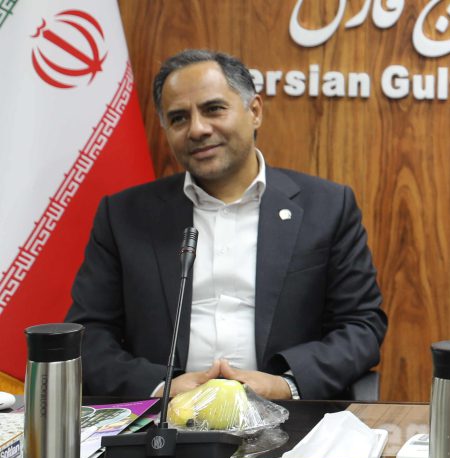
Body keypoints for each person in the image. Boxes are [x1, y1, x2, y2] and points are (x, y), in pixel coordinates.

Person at [66, 49, 387, 400]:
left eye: (213, 109)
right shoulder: (124, 215)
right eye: (178, 118)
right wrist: (161, 388)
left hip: (288, 416)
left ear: (255, 111)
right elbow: (88, 335)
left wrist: (286, 384)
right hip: (163, 418)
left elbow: (361, 326)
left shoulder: (326, 207)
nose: (198, 129)